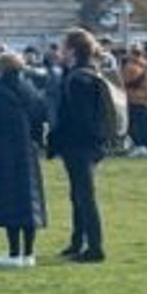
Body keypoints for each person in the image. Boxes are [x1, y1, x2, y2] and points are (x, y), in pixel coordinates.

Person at [0, 51, 49, 266]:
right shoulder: (29, 89)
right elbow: (40, 115)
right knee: (28, 200)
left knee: (10, 201)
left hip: (1, 149)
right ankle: (29, 253)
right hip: (27, 149)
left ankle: (14, 253)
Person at [49, 27, 111, 263]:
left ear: (72, 50)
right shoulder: (88, 72)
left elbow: (79, 117)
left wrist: (59, 137)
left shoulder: (78, 78)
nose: (60, 51)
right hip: (89, 143)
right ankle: (78, 241)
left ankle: (94, 246)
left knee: (84, 195)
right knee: (78, 194)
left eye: (63, 46)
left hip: (80, 144)